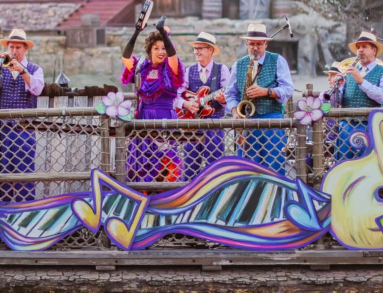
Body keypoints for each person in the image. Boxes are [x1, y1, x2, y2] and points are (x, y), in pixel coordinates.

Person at [0, 29, 44, 202]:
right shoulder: (0, 67)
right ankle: (3, 209)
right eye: (11, 47)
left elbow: (37, 89)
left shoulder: (35, 69)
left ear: (25, 49)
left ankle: (25, 210)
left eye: (18, 48)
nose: (14, 51)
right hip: (1, 127)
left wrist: (23, 71)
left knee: (24, 172)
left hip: (25, 129)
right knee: (1, 171)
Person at [121, 15, 184, 184]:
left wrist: (162, 31)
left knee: (165, 165)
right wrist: (136, 32)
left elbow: (173, 56)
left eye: (164, 48)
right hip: (144, 118)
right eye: (156, 48)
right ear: (150, 51)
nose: (161, 51)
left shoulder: (170, 69)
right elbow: (126, 57)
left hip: (165, 119)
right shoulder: (141, 68)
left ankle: (165, 194)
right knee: (141, 164)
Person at [225, 23, 294, 174]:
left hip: (272, 121)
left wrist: (266, 91)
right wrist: (235, 112)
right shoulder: (239, 64)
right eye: (251, 44)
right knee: (247, 169)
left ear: (265, 44)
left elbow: (288, 89)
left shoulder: (278, 60)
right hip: (246, 123)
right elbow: (230, 94)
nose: (255, 48)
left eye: (258, 44)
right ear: (246, 44)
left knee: (274, 167)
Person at [331, 31, 383, 160]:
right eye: (358, 47)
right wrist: (335, 89)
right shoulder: (348, 72)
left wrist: (361, 81)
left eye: (364, 47)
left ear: (374, 51)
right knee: (343, 166)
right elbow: (336, 102)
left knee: (365, 166)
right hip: (345, 128)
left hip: (369, 128)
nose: (360, 50)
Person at [177, 31, 229, 181]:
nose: (196, 52)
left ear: (210, 50)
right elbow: (177, 95)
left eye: (200, 48)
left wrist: (223, 99)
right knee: (189, 167)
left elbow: (229, 96)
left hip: (214, 124)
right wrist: (186, 103)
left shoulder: (222, 69)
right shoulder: (189, 71)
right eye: (195, 48)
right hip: (192, 125)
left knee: (215, 167)